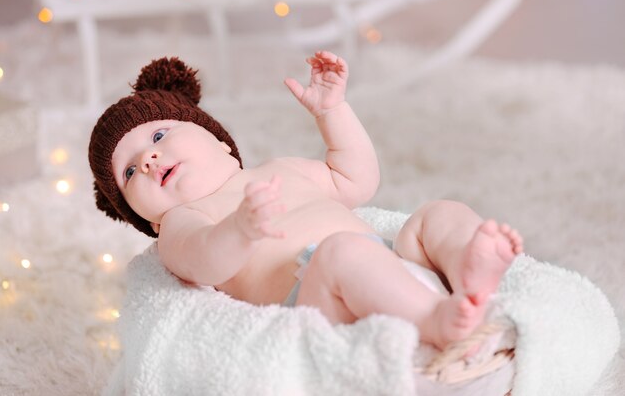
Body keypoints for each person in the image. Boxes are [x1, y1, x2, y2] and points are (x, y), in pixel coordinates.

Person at [89, 51, 523, 350]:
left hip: (395, 266)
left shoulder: (280, 170)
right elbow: (205, 261)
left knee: (436, 215)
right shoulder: (182, 222)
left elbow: (355, 180)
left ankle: (469, 275)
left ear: (221, 142)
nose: (147, 158)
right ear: (145, 218)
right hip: (320, 305)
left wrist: (331, 113)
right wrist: (239, 229)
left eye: (159, 135)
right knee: (341, 253)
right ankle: (437, 322)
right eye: (128, 173)